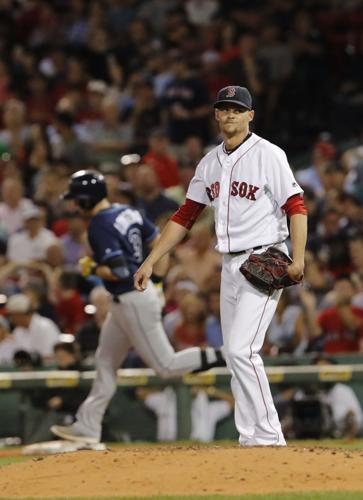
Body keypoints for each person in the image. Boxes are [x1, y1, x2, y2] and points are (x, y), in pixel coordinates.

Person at [135, 85, 308, 446]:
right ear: (216, 114)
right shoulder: (209, 163)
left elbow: (296, 206)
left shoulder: (269, 155)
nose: (229, 114)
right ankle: (250, 437)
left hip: (263, 258)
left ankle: (271, 437)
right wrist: (152, 259)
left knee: (242, 350)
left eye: (236, 109)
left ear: (250, 115)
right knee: (235, 354)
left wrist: (300, 256)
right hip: (228, 266)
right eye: (223, 108)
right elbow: (185, 216)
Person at [51, 170, 224, 444]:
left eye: (75, 200)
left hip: (132, 297)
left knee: (166, 366)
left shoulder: (98, 225)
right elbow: (158, 242)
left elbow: (119, 271)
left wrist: (93, 267)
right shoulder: (126, 211)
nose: (72, 205)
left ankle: (225, 354)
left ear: (85, 200)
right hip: (130, 300)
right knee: (105, 361)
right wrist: (157, 281)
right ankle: (87, 426)